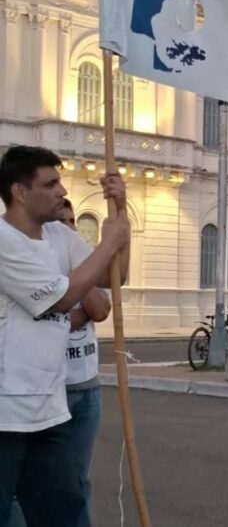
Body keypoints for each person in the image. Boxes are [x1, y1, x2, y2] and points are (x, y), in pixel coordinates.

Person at [0, 145, 130, 527]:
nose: (63, 191)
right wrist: (109, 241)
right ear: (20, 192)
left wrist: (121, 212)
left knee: (65, 514)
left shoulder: (59, 235)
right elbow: (61, 298)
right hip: (6, 415)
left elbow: (113, 276)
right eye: (50, 184)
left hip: (49, 410)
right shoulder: (3, 241)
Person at [60, 199, 112, 527]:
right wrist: (79, 314)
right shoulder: (35, 265)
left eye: (72, 222)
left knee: (78, 481)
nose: (69, 229)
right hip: (53, 388)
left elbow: (102, 309)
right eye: (61, 222)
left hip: (86, 386)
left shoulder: (81, 264)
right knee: (43, 482)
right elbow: (51, 322)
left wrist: (79, 271)